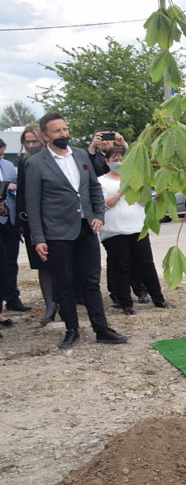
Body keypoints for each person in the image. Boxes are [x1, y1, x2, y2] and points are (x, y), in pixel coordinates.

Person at [23, 112, 127, 349]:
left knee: (91, 281)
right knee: (65, 283)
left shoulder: (80, 155)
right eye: (57, 131)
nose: (63, 134)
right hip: (57, 232)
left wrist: (98, 215)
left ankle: (101, 329)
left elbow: (93, 188)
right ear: (46, 136)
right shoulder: (35, 164)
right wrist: (38, 238)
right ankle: (72, 330)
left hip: (86, 228)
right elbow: (33, 204)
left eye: (65, 129)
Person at [97, 146, 173, 314]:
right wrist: (121, 191)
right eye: (114, 159)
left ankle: (158, 298)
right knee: (121, 267)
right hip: (114, 231)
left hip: (137, 228)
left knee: (147, 264)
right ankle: (126, 304)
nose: (118, 162)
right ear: (107, 161)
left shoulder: (136, 178)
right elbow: (104, 203)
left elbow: (145, 200)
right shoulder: (100, 181)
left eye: (121, 159)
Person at [14, 126, 56, 323]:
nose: (31, 145)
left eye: (34, 141)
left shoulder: (56, 160)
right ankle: (50, 305)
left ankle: (65, 301)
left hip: (56, 219)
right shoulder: (25, 163)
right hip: (33, 221)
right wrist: (21, 223)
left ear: (44, 140)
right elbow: (22, 194)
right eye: (27, 142)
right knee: (43, 264)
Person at [0, 138, 27, 314]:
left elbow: (18, 185)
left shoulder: (9, 166)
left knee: (11, 261)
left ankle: (12, 298)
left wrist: (13, 187)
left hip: (9, 219)